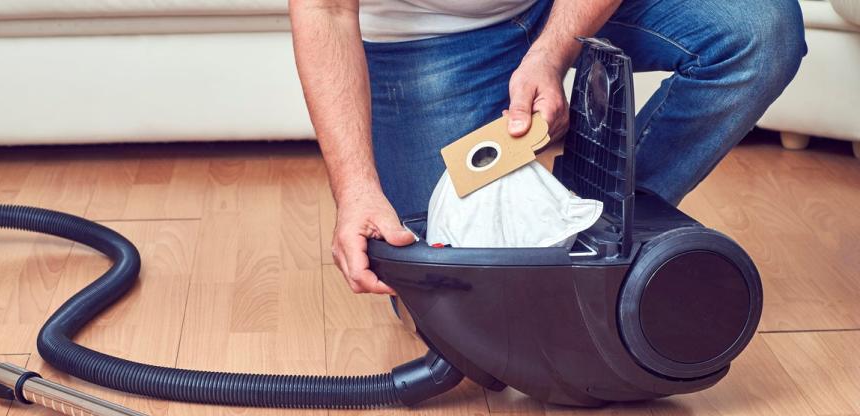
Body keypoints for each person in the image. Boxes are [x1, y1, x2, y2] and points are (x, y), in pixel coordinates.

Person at [289, 0, 806, 294]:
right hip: (428, 35)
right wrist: (356, 188)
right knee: (446, 296)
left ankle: (596, 240)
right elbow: (324, 8)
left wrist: (551, 56)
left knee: (758, 32)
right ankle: (561, 247)